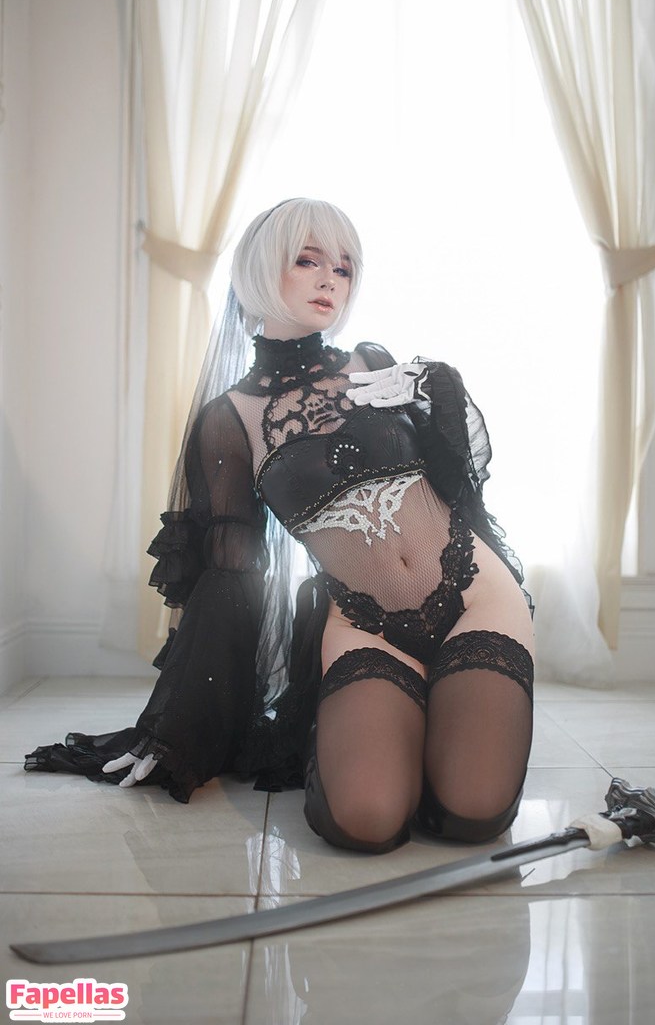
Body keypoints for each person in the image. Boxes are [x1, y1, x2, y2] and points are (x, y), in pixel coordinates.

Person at [25, 198, 535, 854]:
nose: (330, 280)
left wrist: (439, 394)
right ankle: (372, 727)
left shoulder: (372, 363)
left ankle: (444, 719)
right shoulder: (228, 419)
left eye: (343, 268)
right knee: (367, 822)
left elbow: (457, 484)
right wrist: (174, 722)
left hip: (474, 594)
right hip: (364, 622)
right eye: (308, 261)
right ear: (261, 271)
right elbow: (229, 576)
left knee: (473, 811)